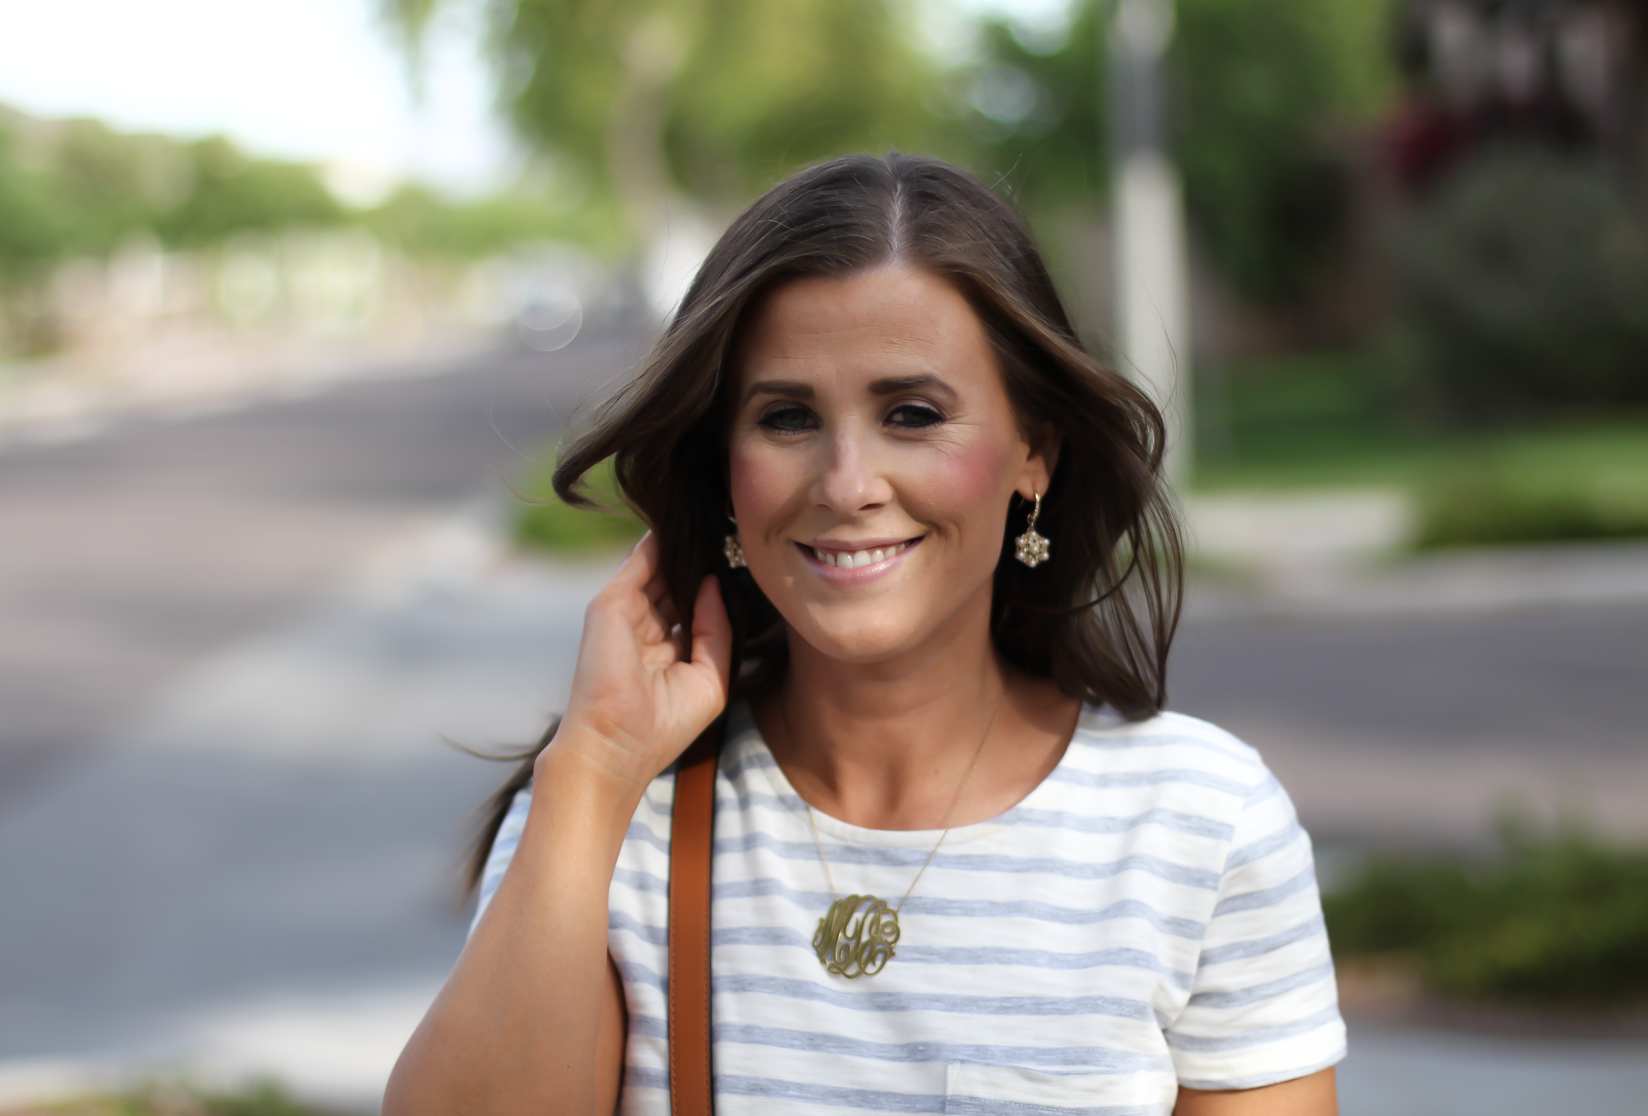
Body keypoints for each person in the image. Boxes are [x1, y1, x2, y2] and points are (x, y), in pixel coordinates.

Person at [385, 153, 1345, 1116]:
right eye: (788, 416)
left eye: (913, 414)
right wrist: (591, 769)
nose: (847, 484)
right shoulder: (609, 816)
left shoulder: (1200, 825)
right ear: (724, 466)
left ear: (1034, 453)